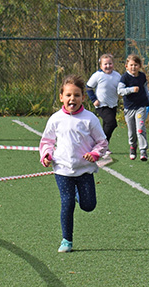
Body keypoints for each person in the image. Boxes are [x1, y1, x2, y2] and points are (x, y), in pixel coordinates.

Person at [40, 75, 108, 253]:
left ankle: (80, 194)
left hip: (84, 170)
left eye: (77, 95)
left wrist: (94, 154)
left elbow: (102, 142)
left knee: (88, 205)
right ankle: (67, 240)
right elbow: (46, 141)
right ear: (61, 96)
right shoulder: (55, 119)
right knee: (67, 203)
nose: (72, 99)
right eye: (68, 95)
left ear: (83, 97)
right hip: (62, 169)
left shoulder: (90, 119)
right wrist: (46, 155)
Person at [117, 54, 149, 161]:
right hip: (129, 108)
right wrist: (131, 89)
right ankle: (133, 146)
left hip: (140, 106)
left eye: (136, 65)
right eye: (131, 65)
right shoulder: (124, 78)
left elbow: (145, 87)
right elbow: (120, 91)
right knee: (132, 131)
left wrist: (148, 98)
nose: (133, 67)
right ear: (127, 66)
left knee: (140, 129)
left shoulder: (142, 76)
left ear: (139, 66)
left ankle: (143, 150)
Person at [86, 53, 120, 148]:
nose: (108, 66)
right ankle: (102, 144)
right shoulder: (98, 75)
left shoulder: (117, 76)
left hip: (113, 104)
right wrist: (94, 99)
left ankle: (103, 146)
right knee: (111, 123)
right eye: (105, 64)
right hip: (101, 105)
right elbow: (88, 87)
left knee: (106, 125)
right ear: (101, 65)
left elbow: (121, 87)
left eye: (110, 64)